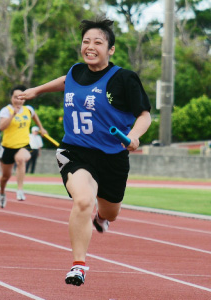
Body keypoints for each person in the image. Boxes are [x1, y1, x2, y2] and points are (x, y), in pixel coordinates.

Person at [18, 18, 151, 286]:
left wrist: (134, 136)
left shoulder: (124, 79)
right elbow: (67, 80)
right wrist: (37, 91)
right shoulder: (77, 71)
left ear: (111, 49)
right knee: (82, 201)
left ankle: (102, 219)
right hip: (75, 151)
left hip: (112, 156)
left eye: (98, 42)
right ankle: (78, 265)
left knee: (110, 211)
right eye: (86, 41)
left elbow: (145, 115)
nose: (90, 46)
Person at [0, 85, 47, 208]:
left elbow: (34, 115)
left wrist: (41, 128)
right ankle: (2, 193)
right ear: (11, 98)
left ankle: (20, 190)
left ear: (24, 98)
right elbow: (2, 127)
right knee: (5, 177)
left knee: (21, 159)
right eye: (15, 97)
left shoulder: (28, 109)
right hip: (8, 147)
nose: (18, 100)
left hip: (24, 144)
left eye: (21, 98)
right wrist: (13, 114)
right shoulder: (5, 111)